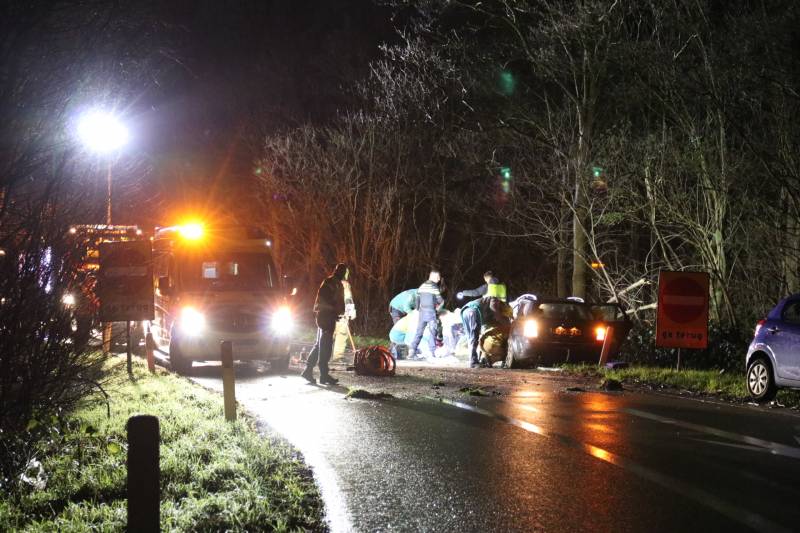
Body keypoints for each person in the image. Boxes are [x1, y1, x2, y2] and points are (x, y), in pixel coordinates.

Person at [301, 263, 348, 385]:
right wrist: (334, 310)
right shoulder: (331, 283)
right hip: (326, 317)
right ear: (340, 272)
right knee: (325, 346)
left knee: (320, 345)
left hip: (327, 316)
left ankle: (308, 370)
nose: (344, 275)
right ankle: (323, 375)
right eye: (343, 272)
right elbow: (324, 300)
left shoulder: (336, 283)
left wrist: (338, 311)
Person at [460, 280, 512, 368]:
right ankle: (473, 362)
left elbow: (492, 322)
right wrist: (509, 326)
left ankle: (476, 360)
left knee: (472, 338)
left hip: (466, 310)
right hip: (473, 310)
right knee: (473, 337)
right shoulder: (495, 299)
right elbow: (496, 313)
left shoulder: (490, 313)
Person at [408, 270, 444, 360]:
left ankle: (412, 351)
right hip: (431, 313)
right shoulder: (434, 287)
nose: (439, 279)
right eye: (438, 277)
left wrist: (417, 309)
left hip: (422, 313)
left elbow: (417, 300)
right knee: (433, 332)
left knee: (419, 332)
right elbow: (441, 301)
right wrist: (438, 310)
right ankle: (432, 352)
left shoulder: (422, 286)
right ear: (432, 276)